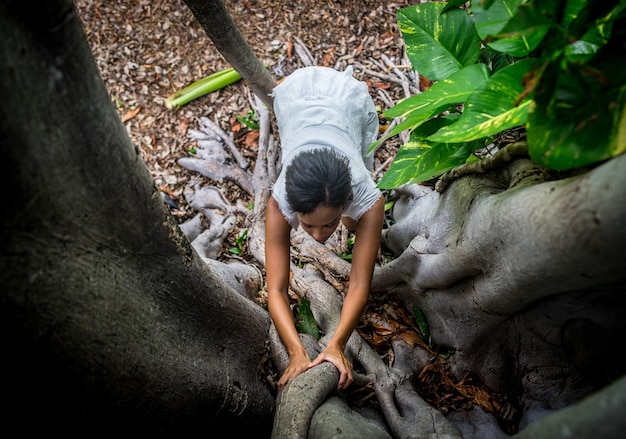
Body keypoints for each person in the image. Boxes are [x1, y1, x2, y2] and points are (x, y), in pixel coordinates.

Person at [265, 66, 385, 391]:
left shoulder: (367, 196)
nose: (318, 237)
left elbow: (360, 281)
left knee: (356, 221)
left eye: (328, 223)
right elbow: (275, 288)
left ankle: (350, 222)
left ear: (347, 198)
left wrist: (337, 345)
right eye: (307, 225)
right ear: (294, 212)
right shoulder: (279, 202)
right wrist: (296, 352)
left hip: (346, 104)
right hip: (297, 99)